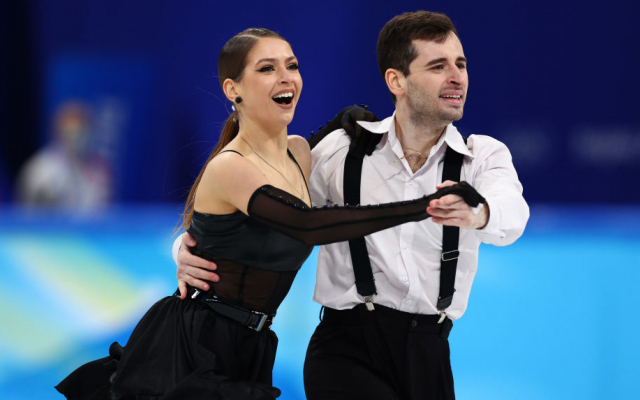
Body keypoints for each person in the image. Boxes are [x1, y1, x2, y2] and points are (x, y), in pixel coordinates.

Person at [56, 27, 484, 400]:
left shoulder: (300, 154)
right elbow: (307, 226)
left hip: (253, 343)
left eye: (291, 65)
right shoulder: (230, 166)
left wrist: (341, 120)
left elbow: (281, 186)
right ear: (233, 89)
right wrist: (424, 206)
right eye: (267, 68)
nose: (286, 77)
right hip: (196, 342)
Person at [176, 11, 530, 400]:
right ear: (396, 81)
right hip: (345, 351)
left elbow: (512, 214)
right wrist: (187, 248)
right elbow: (268, 212)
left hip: (430, 352)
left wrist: (478, 213)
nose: (456, 76)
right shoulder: (344, 151)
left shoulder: (481, 156)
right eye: (438, 66)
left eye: (460, 64)